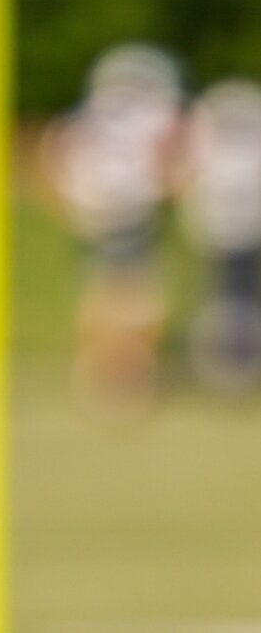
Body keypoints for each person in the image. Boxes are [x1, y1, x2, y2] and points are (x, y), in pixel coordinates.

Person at [42, 43, 185, 404]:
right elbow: (171, 166)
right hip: (133, 211)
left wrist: (72, 205)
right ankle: (127, 370)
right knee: (137, 293)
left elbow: (55, 159)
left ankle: (101, 367)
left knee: (100, 288)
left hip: (92, 213)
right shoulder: (155, 115)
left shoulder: (85, 115)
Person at [179, 78, 261, 390]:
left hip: (245, 232)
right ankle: (222, 361)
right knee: (219, 299)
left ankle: (241, 361)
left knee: (242, 298)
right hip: (216, 233)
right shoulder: (208, 147)